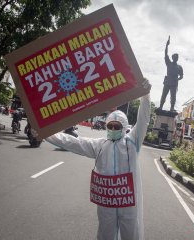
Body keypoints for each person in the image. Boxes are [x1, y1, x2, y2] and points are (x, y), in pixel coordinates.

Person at [46, 80, 151, 240]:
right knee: (105, 235)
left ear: (124, 128)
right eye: (110, 126)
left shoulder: (132, 143)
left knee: (132, 235)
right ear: (106, 127)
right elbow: (74, 143)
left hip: (128, 204)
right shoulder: (100, 145)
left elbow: (143, 118)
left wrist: (145, 95)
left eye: (117, 127)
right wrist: (47, 134)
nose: (113, 129)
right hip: (107, 204)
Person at [159, 36, 183, 111]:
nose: (176, 58)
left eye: (177, 57)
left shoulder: (179, 67)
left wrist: (178, 78)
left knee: (173, 97)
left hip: (174, 83)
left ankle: (172, 107)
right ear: (173, 58)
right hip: (167, 81)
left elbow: (181, 76)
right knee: (163, 95)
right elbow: (166, 54)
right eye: (175, 57)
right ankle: (160, 106)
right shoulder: (168, 63)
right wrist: (167, 45)